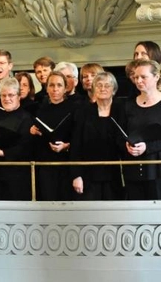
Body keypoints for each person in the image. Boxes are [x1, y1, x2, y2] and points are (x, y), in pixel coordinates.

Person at [70, 72, 125, 200]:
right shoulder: (83, 112)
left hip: (115, 173)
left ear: (114, 90)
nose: (103, 88)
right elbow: (76, 145)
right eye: (99, 85)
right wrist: (76, 175)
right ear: (94, 89)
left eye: (107, 85)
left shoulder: (122, 110)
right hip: (88, 174)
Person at [0, 78, 33, 201]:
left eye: (11, 95)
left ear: (19, 96)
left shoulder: (26, 118)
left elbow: (27, 147)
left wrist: (3, 153)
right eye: (3, 95)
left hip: (16, 174)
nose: (6, 98)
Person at [29, 72, 74, 201]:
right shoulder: (41, 109)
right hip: (45, 163)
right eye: (51, 85)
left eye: (59, 85)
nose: (55, 89)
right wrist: (32, 131)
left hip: (66, 163)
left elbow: (78, 136)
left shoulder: (74, 109)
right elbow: (35, 139)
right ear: (47, 88)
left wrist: (67, 146)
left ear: (65, 88)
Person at [123, 59, 161, 200]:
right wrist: (126, 145)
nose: (138, 81)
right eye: (136, 77)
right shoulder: (129, 105)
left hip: (157, 169)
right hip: (133, 169)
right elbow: (120, 134)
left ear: (156, 77)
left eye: (143, 77)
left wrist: (147, 147)